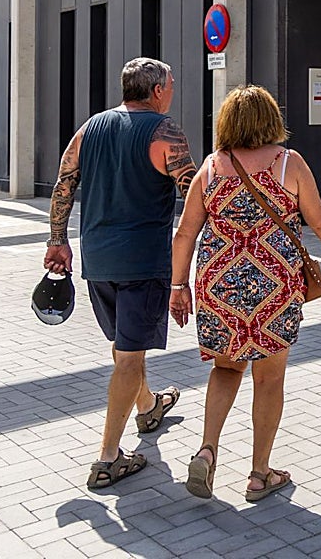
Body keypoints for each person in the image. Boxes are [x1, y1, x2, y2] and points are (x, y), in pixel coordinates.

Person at [169, 85, 321, 501]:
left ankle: (207, 450)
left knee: (226, 369)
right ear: (271, 119)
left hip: (218, 285)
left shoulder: (211, 168)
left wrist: (178, 286)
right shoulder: (288, 163)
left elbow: (185, 231)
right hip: (272, 285)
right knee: (269, 378)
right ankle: (259, 474)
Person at [44, 57, 198, 489]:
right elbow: (193, 192)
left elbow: (64, 183)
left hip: (98, 261)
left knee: (125, 346)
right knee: (129, 356)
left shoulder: (90, 127)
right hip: (143, 263)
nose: (172, 90)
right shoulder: (165, 131)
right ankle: (108, 457)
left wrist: (58, 240)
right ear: (157, 91)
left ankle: (148, 406)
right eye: (170, 83)